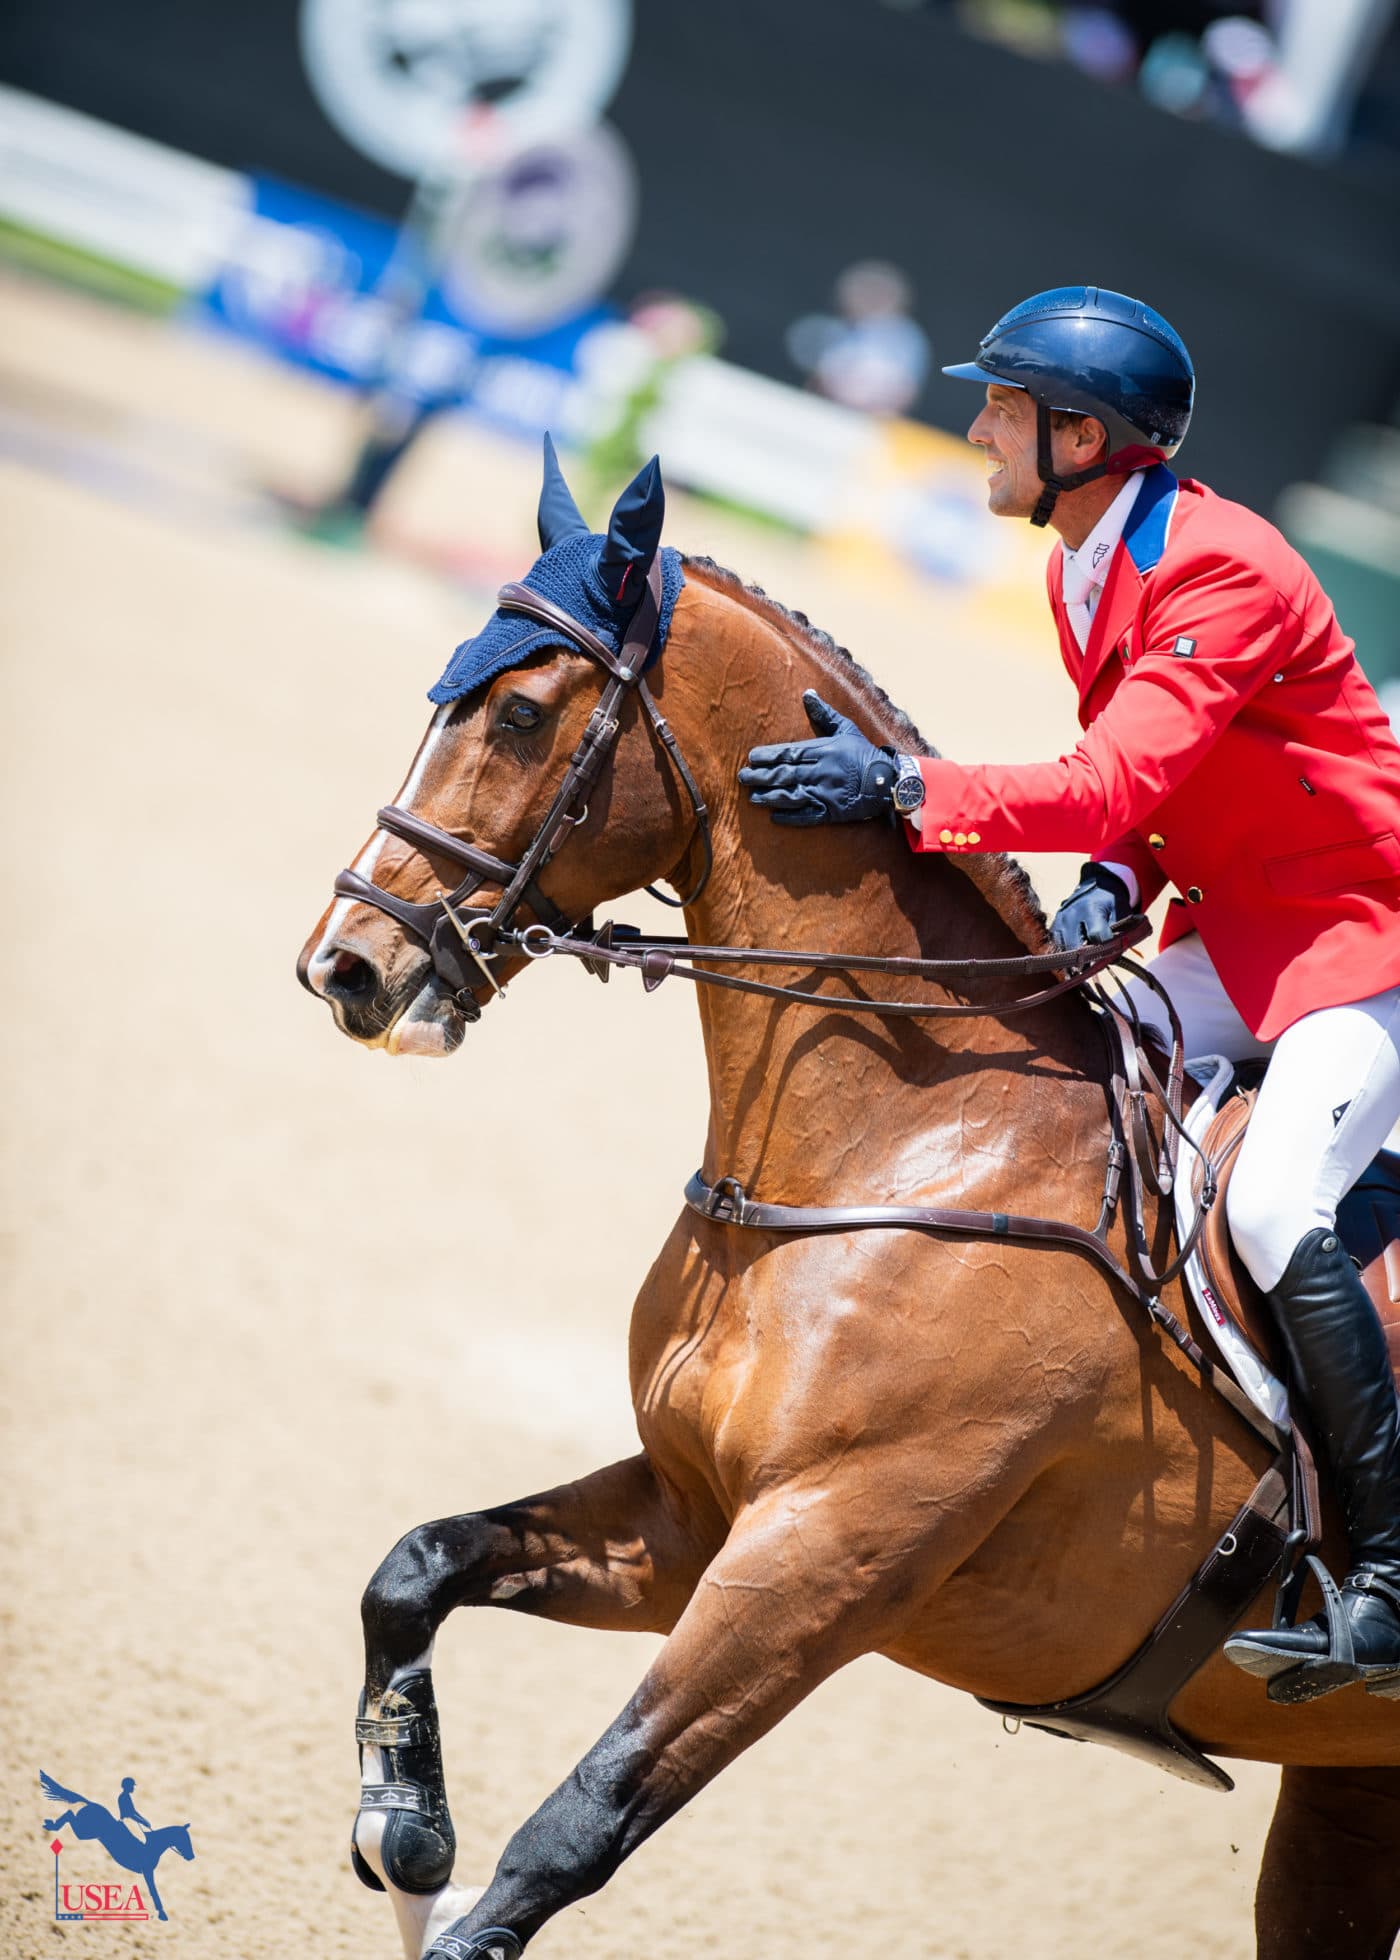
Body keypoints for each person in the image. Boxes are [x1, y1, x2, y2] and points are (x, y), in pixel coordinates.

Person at [738, 285, 1400, 1703]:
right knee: (1066, 1088)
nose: (977, 425)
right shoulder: (1082, 562)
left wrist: (902, 789)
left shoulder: (1227, 566)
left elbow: (1111, 773)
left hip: (1366, 942)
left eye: (1002, 408)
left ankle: (1392, 1570)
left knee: (1277, 1202)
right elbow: (1148, 784)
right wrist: (1118, 875)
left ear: (1081, 436)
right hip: (1241, 931)